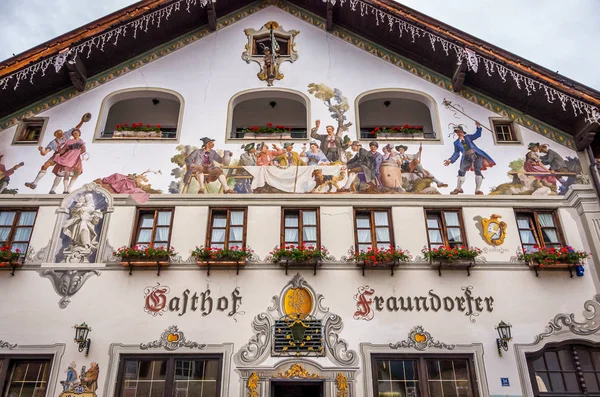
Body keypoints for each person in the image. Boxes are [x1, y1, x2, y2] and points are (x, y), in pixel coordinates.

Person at [26, 114, 89, 190]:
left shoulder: (66, 135)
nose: (62, 134)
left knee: (60, 172)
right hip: (57, 155)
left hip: (67, 155)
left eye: (62, 133)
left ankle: (53, 189)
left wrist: (82, 120)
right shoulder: (53, 142)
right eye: (60, 134)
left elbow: (77, 128)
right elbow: (44, 153)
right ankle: (34, 183)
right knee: (45, 165)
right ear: (57, 135)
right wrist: (41, 150)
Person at [443, 121, 495, 195]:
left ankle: (477, 190)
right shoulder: (456, 143)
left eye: (460, 131)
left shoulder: (468, 137)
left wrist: (478, 127)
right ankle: (458, 188)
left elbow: (477, 135)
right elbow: (456, 153)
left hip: (476, 155)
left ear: (462, 131)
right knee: (461, 171)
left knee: (478, 170)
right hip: (466, 157)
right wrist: (450, 160)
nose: (459, 133)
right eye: (457, 132)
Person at [50, 128, 87, 194]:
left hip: (76, 158)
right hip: (68, 157)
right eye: (73, 133)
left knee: (77, 172)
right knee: (66, 172)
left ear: (79, 133)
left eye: (76, 133)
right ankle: (65, 189)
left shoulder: (81, 141)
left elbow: (84, 149)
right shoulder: (69, 141)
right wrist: (59, 153)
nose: (75, 134)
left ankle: (69, 187)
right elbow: (64, 149)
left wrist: (79, 153)